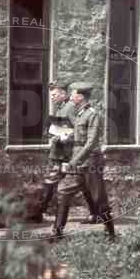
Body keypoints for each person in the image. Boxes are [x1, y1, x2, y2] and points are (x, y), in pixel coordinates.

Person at [52, 82, 116, 242]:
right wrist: (68, 137)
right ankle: (57, 232)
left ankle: (110, 233)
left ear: (80, 97)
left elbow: (91, 141)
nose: (71, 96)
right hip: (78, 160)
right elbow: (79, 137)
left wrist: (74, 161)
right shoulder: (80, 114)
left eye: (73, 93)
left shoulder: (92, 114)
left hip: (91, 162)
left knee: (98, 198)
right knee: (63, 192)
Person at [28, 81, 97, 224]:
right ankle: (95, 212)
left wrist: (64, 136)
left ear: (63, 94)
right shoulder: (61, 108)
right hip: (62, 151)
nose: (52, 98)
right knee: (80, 183)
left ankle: (39, 212)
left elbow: (77, 131)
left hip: (66, 153)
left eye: (54, 95)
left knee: (52, 180)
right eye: (51, 95)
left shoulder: (70, 108)